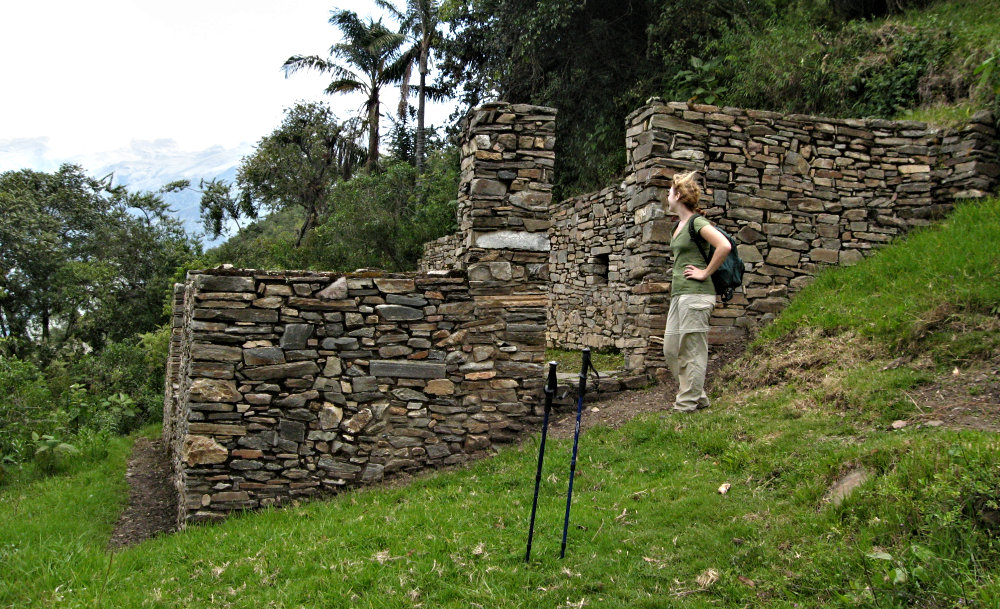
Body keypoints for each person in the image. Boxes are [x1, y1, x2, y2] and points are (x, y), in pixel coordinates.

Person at [662, 171, 731, 412]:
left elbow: (724, 245)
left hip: (697, 295)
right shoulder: (678, 226)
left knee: (692, 350)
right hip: (680, 295)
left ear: (678, 195)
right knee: (671, 349)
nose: (667, 196)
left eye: (669, 192)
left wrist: (704, 272)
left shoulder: (696, 222)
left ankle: (685, 406)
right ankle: (698, 397)